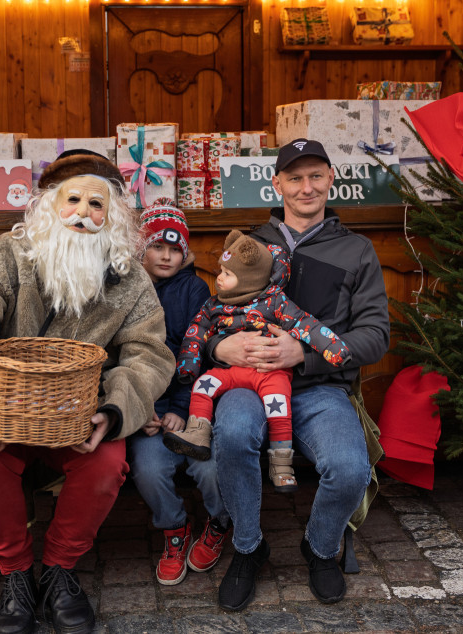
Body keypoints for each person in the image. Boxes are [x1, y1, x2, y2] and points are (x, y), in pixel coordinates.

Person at [0, 151, 175, 634]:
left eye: (97, 204)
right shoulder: (7, 255)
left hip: (81, 417)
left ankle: (61, 570)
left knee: (107, 463)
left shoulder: (129, 277)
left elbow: (149, 354)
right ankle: (17, 576)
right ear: (50, 205)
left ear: (113, 217)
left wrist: (112, 411)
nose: (84, 213)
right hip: (5, 412)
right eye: (74, 200)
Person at [208, 138, 389, 611]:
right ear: (277, 184)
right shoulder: (249, 244)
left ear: (331, 179)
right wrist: (218, 346)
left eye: (315, 176)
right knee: (231, 436)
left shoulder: (357, 250)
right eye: (294, 177)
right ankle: (248, 548)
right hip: (248, 382)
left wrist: (304, 356)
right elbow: (209, 315)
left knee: (350, 468)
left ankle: (321, 546)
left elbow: (375, 336)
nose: (305, 187)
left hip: (319, 388)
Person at [163, 229, 353, 494]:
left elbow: (305, 324)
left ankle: (282, 464)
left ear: (247, 280)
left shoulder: (274, 303)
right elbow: (196, 333)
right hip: (232, 372)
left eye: (227, 274)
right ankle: (198, 433)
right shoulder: (214, 305)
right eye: (221, 270)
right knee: (203, 386)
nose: (219, 277)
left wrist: (335, 349)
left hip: (269, 372)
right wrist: (188, 365)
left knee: (278, 409)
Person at [126, 198, 232, 587]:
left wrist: (184, 409)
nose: (167, 256)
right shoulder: (126, 289)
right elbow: (121, 357)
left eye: (175, 249)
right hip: (147, 413)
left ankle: (220, 521)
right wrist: (143, 411)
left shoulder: (193, 289)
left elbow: (201, 353)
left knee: (210, 467)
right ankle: (174, 529)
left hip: (192, 411)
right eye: (158, 247)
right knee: (149, 468)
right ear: (141, 248)